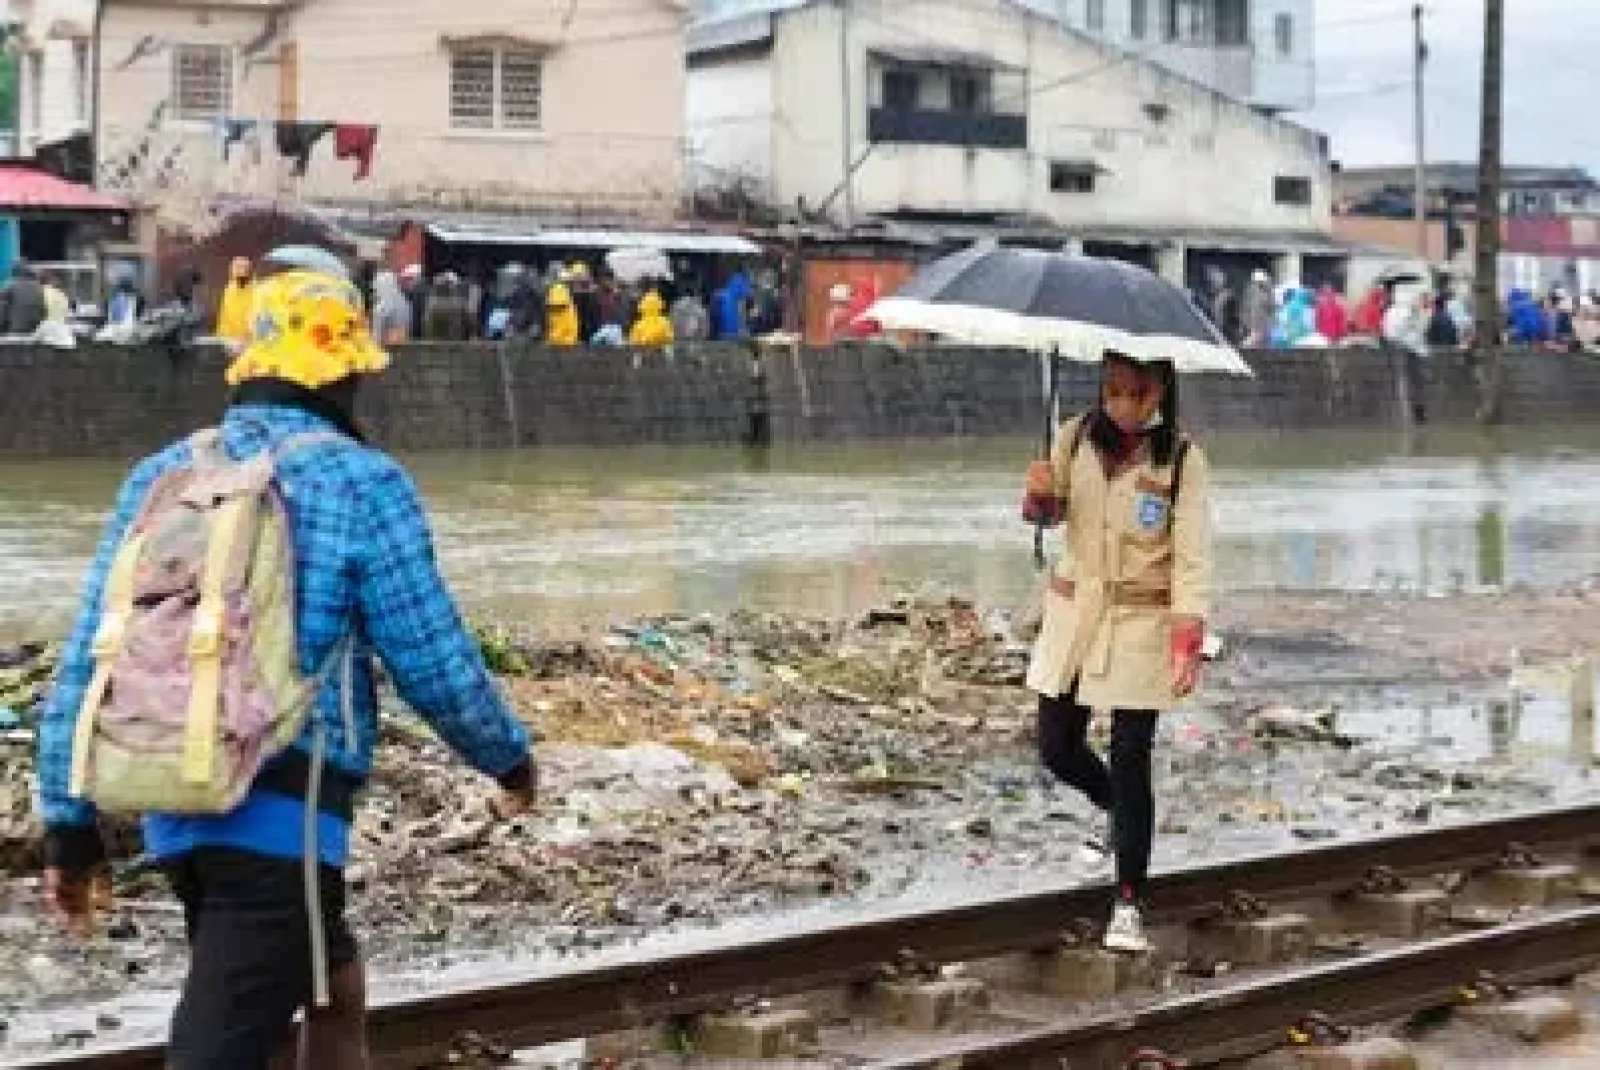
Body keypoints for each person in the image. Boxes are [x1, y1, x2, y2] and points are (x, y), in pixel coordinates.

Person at [34, 261, 537, 1070]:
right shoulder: (360, 482)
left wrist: (67, 823)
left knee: (329, 984)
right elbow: (430, 654)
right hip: (284, 812)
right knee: (226, 1045)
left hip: (171, 800)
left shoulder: (163, 474)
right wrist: (507, 756)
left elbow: (91, 654)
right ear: (343, 376)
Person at [1021, 351, 1211, 955]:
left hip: (1140, 620)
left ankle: (1128, 899)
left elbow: (1191, 558)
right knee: (1057, 748)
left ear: (1160, 391)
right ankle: (1116, 812)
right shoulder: (1073, 436)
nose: (1126, 405)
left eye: (1139, 393)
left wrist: (1187, 637)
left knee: (1131, 755)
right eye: (1115, 391)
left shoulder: (1182, 461)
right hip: (1076, 612)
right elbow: (1048, 519)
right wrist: (1038, 501)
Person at [215, 257, 255, 345]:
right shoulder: (229, 289)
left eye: (244, 269)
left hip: (249, 342)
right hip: (230, 340)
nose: (240, 273)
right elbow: (223, 315)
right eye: (237, 270)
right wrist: (221, 338)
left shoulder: (256, 290)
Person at [371, 269, 411, 346]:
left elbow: (377, 337)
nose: (376, 291)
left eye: (376, 287)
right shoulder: (405, 302)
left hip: (386, 348)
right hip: (404, 348)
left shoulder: (382, 307)